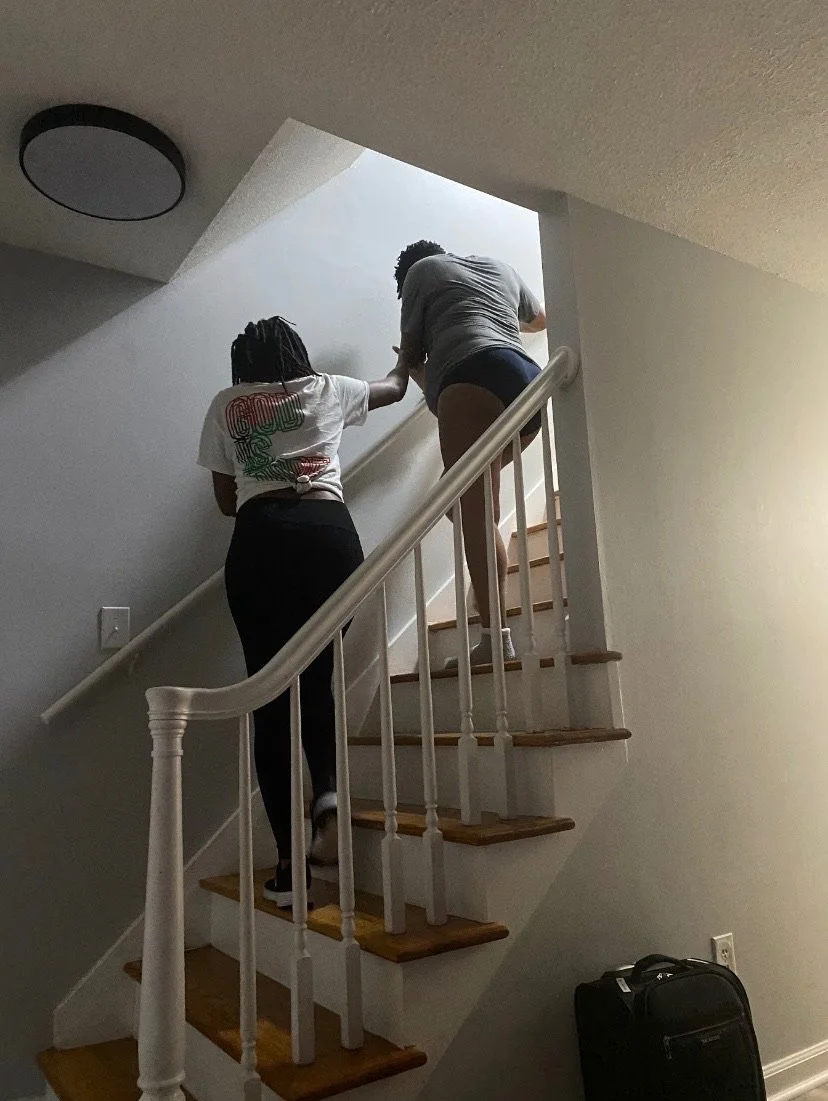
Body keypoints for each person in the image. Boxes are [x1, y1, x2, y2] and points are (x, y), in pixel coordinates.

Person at [198, 316, 408, 906]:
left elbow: (224, 502)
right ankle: (331, 796)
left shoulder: (227, 403)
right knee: (316, 679)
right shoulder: (330, 388)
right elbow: (395, 389)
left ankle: (291, 868)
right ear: (298, 353)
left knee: (268, 696)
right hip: (329, 534)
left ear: (244, 365)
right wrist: (407, 358)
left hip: (261, 537)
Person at [392, 242, 547, 667]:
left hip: (470, 377)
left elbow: (410, 353)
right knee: (467, 505)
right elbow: (540, 320)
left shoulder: (420, 272)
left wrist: (409, 373)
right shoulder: (499, 265)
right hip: (526, 383)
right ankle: (493, 620)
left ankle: (496, 640)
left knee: (476, 517)